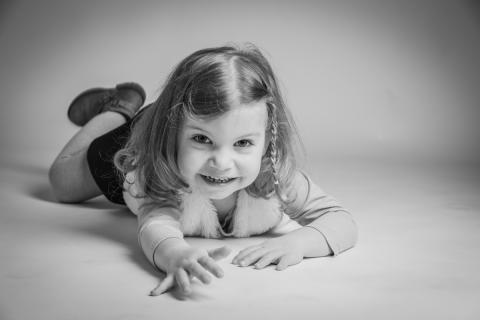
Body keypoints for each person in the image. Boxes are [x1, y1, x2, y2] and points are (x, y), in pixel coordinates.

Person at [49, 44, 358, 296]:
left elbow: (341, 219)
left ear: (267, 140)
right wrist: (175, 255)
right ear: (173, 137)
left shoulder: (276, 176)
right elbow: (155, 225)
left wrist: (301, 242)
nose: (221, 163)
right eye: (202, 139)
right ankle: (118, 110)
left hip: (172, 122)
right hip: (138, 142)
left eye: (242, 143)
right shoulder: (156, 175)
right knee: (63, 183)